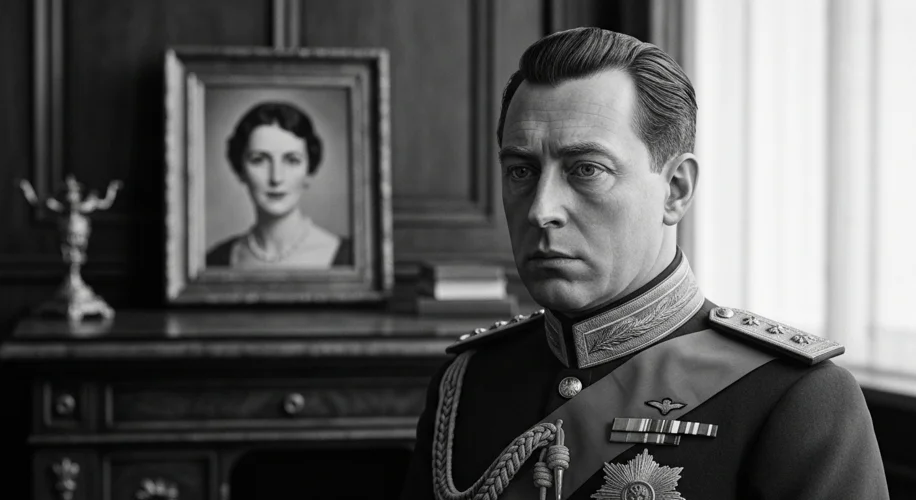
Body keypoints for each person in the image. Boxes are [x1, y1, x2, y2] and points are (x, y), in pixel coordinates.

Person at [399, 28, 888, 500]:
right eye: (521, 171)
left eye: (586, 170)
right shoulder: (468, 384)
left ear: (675, 191)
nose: (540, 209)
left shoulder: (798, 399)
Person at [206, 101, 351, 269]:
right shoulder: (215, 261)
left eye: (292, 160)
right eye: (259, 160)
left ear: (309, 172)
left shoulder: (349, 258)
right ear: (241, 171)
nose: (276, 178)